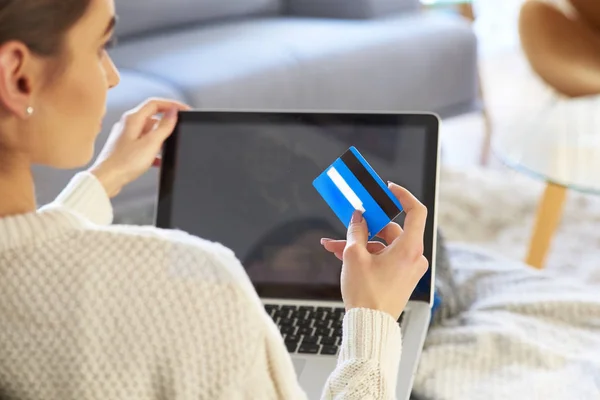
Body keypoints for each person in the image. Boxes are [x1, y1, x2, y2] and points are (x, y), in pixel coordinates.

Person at [0, 0, 429, 399]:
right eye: (100, 47)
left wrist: (104, 179)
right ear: (18, 76)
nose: (112, 76)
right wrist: (373, 318)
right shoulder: (199, 284)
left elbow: (22, 256)